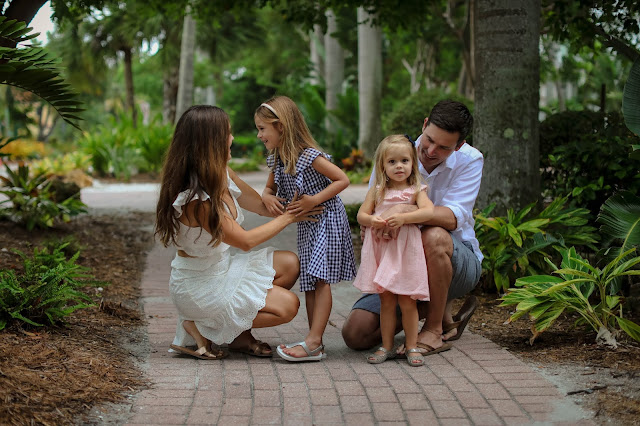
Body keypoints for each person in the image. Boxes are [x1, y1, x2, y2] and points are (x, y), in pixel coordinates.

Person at [155, 105, 322, 360]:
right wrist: (290, 217)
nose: (232, 139)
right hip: (200, 287)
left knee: (289, 263)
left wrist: (308, 198)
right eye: (228, 133)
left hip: (221, 269)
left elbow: (261, 206)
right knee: (288, 306)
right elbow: (245, 241)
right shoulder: (196, 199)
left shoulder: (220, 171)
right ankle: (199, 326)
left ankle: (238, 337)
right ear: (210, 141)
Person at [341, 99, 483, 356]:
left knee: (434, 236)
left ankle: (434, 329)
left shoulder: (470, 160)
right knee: (356, 334)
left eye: (443, 147)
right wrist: (373, 224)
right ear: (425, 124)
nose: (430, 151)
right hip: (397, 258)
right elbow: (372, 209)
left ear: (459, 145)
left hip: (457, 259)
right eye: (429, 140)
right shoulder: (394, 152)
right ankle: (440, 310)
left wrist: (405, 211)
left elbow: (453, 218)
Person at [256, 96, 357, 362]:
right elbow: (269, 189)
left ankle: (313, 342)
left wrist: (313, 199)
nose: (259, 135)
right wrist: (267, 196)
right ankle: (315, 342)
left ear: (280, 126)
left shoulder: (309, 155)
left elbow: (342, 179)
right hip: (307, 226)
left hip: (326, 218)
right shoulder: (277, 159)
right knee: (311, 280)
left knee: (320, 279)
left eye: (262, 129)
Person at [352, 134, 435, 366]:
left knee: (407, 301)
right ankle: (387, 346)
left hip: (406, 252)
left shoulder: (417, 190)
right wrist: (373, 221)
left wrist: (404, 216)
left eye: (405, 161)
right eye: (392, 162)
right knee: (386, 302)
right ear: (382, 165)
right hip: (383, 251)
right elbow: (362, 215)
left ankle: (412, 345)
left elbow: (428, 212)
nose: (399, 166)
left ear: (413, 163)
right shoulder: (377, 191)